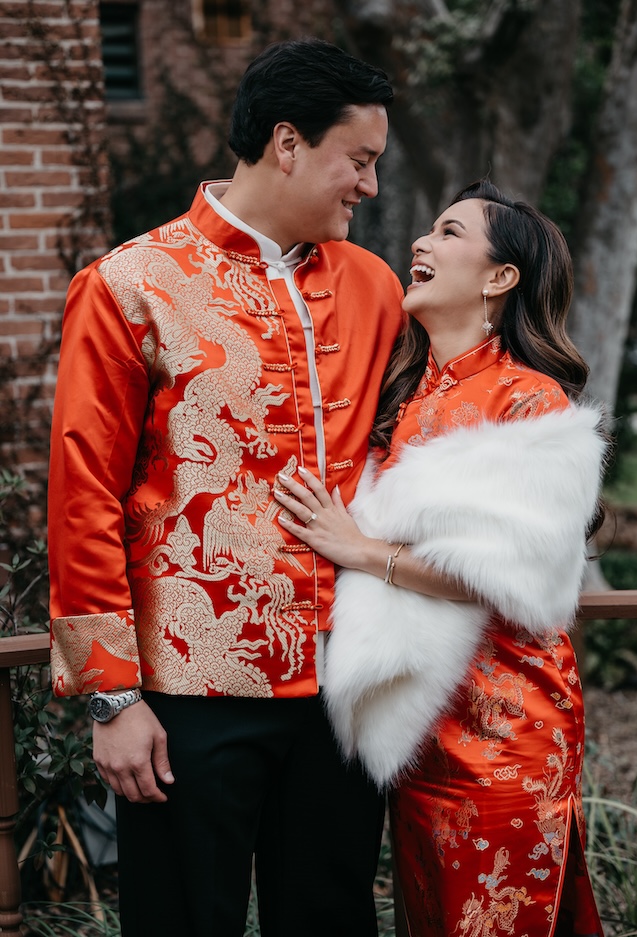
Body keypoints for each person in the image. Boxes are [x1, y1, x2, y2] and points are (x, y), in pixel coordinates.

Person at [47, 38, 404, 937]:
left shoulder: (375, 287)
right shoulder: (129, 285)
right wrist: (113, 699)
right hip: (184, 696)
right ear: (288, 143)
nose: (370, 186)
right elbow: (82, 493)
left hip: (342, 692)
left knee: (330, 919)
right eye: (358, 161)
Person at [273, 179, 606, 936]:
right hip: (417, 728)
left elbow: (505, 574)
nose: (421, 243)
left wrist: (360, 549)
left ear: (499, 277)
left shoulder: (533, 406)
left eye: (449, 233)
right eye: (427, 231)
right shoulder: (400, 399)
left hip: (507, 727)